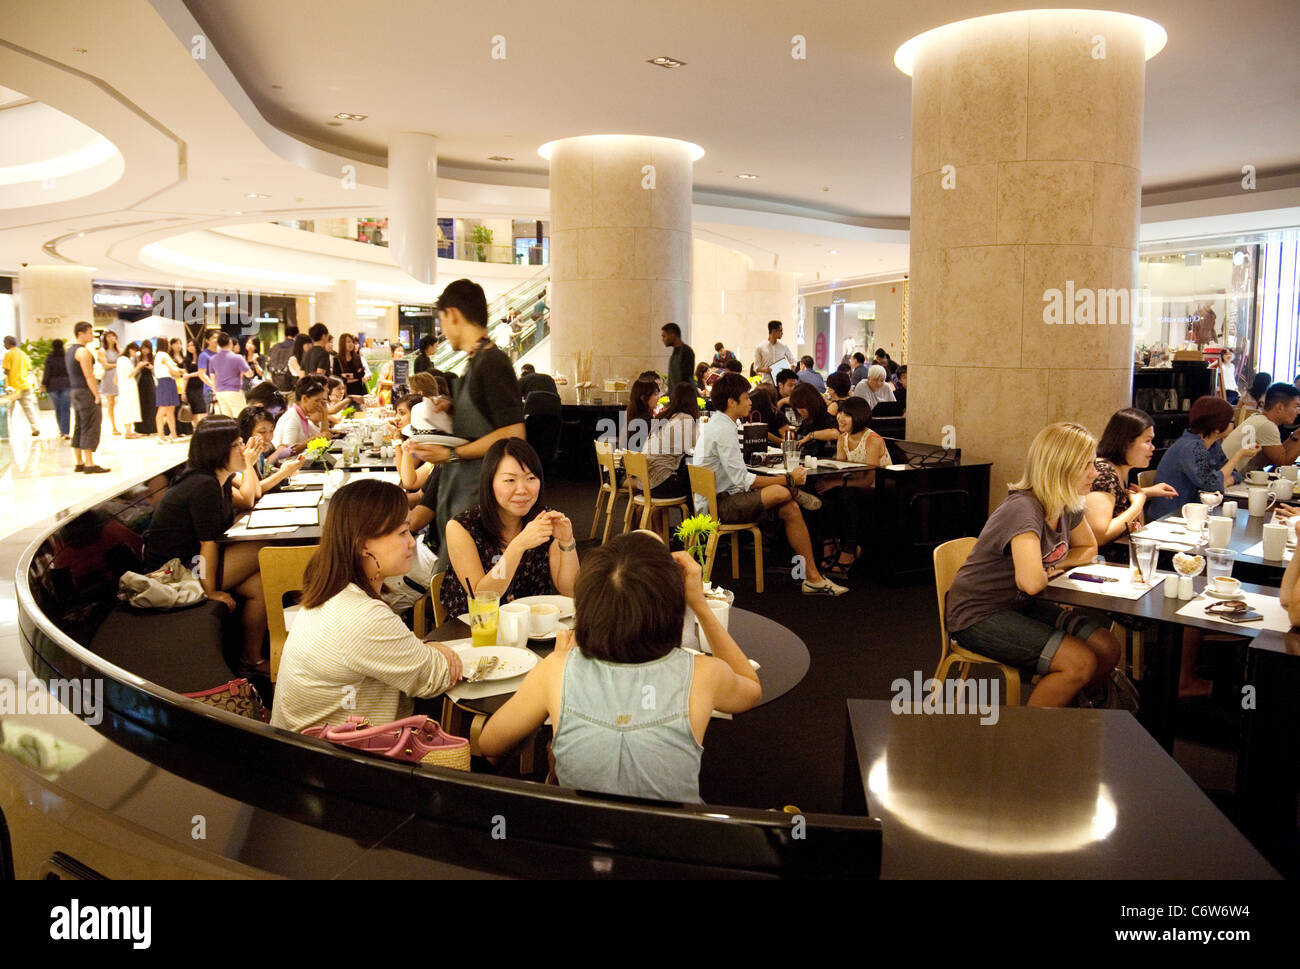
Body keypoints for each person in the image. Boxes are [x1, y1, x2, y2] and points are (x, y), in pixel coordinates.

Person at [478, 532, 761, 800]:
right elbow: (751, 688)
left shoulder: (556, 668)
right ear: (672, 608)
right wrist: (699, 604)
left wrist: (560, 667)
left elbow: (490, 743)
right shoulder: (704, 673)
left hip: (580, 841)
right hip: (675, 841)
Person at [944, 422, 1122, 707]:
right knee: (1080, 662)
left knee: (1107, 646)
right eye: (1086, 465)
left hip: (1019, 604)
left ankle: (1064, 699)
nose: (1095, 474)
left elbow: (1088, 548)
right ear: (1060, 468)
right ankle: (1025, 742)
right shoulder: (1024, 509)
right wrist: (1047, 570)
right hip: (977, 613)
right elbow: (1032, 582)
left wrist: (1055, 566)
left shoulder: (1067, 503)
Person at [270, 478, 462, 732]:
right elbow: (434, 678)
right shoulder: (359, 614)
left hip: (305, 745)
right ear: (363, 545)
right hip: (333, 759)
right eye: (402, 532)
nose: (412, 542)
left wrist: (426, 649)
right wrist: (440, 653)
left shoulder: (333, 588)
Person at [692, 373, 847, 595]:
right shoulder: (724, 429)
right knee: (779, 491)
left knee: (790, 508)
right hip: (720, 505)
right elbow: (743, 480)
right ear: (731, 401)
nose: (750, 402)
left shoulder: (718, 424)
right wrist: (789, 478)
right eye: (746, 398)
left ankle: (813, 577)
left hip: (717, 499)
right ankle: (793, 490)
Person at [410, 279, 525, 564]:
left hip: (480, 496)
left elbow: (513, 433)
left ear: (452, 314)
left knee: (475, 585)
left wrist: (450, 453)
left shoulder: (492, 362)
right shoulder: (476, 362)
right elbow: (485, 422)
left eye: (442, 321)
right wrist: (452, 410)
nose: (443, 331)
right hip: (464, 492)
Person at [143, 417, 268, 671]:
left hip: (193, 559)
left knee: (260, 586)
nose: (244, 449)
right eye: (237, 445)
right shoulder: (203, 485)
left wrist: (249, 466)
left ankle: (251, 659)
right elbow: (207, 544)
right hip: (173, 570)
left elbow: (247, 501)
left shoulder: (218, 479)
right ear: (217, 450)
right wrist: (209, 591)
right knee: (262, 548)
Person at [440, 438, 579, 619]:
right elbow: (481, 598)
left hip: (534, 630)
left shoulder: (544, 520)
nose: (521, 489)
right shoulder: (462, 527)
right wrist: (518, 545)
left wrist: (567, 542)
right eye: (509, 480)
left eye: (530, 478)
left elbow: (570, 592)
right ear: (490, 482)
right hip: (475, 631)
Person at [1149, 396, 1260, 520]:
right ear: (1217, 427)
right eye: (1231, 422)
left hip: (1194, 514)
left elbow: (1234, 474)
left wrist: (1223, 481)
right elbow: (1212, 485)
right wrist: (1238, 456)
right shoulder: (1191, 447)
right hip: (1172, 517)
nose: (1233, 425)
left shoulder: (1212, 445)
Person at [1084, 408, 1178, 549]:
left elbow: (1116, 497)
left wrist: (1147, 492)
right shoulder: (1104, 474)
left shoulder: (1119, 469)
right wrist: (1137, 505)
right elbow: (1100, 537)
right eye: (1148, 441)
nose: (1153, 448)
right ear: (1126, 442)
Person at [816, 396, 890, 575]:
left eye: (847, 414)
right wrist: (829, 480)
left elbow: (868, 481)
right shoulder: (843, 439)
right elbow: (839, 471)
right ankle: (829, 545)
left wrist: (835, 482)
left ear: (859, 417)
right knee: (821, 491)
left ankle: (849, 550)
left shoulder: (873, 439)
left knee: (847, 495)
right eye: (840, 412)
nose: (840, 417)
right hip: (851, 485)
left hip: (879, 489)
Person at [1221, 382, 1300, 474]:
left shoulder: (1259, 418)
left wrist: (1296, 435)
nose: (1298, 412)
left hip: (1229, 476)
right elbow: (1283, 463)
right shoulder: (1267, 425)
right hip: (1227, 480)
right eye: (1296, 406)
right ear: (1280, 407)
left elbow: (1276, 458)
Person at [642, 381, 699, 500]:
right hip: (661, 483)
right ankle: (694, 517)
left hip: (645, 480)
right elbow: (697, 448)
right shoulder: (685, 418)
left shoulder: (665, 416)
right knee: (698, 487)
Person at [66, 322, 108, 472]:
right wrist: (96, 395)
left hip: (75, 391)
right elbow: (89, 376)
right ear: (81, 334)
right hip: (85, 392)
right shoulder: (83, 352)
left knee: (78, 426)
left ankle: (79, 462)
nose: (92, 335)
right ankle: (89, 463)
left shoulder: (70, 351)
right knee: (90, 425)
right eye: (90, 333)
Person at [236, 405, 303, 494]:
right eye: (262, 432)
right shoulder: (238, 457)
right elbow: (255, 490)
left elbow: (266, 472)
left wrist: (287, 469)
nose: (268, 437)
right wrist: (283, 473)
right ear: (247, 432)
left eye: (271, 431)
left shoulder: (259, 454)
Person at [272, 375, 329, 452]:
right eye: (317, 401)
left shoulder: (303, 417)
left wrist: (324, 414)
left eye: (321, 401)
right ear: (304, 398)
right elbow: (287, 451)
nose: (320, 405)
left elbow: (323, 438)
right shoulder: (292, 418)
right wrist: (315, 438)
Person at [205, 331, 252, 418]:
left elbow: (213, 378)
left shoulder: (213, 359)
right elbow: (249, 374)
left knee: (226, 418)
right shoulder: (237, 358)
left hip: (220, 392)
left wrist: (215, 393)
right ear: (230, 342)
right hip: (234, 391)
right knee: (241, 417)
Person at [2, 336, 40, 437]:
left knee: (8, 410)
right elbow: (28, 369)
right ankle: (35, 428)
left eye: (4, 343)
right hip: (25, 385)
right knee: (29, 408)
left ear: (7, 343)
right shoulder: (23, 354)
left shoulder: (8, 354)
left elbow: (7, 370)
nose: (3, 345)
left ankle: (7, 431)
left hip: (13, 387)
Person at [789, 382, 838, 458]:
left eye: (802, 408)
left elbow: (836, 434)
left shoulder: (825, 418)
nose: (800, 412)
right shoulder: (806, 422)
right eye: (797, 408)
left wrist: (811, 435)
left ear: (812, 403)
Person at [153, 337, 185, 443]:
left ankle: (173, 434)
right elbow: (174, 370)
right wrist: (182, 371)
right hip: (165, 382)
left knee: (170, 410)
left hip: (168, 382)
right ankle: (161, 435)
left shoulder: (159, 355)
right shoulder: (163, 355)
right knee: (163, 410)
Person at [42, 338, 73, 439]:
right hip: (66, 384)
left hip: (53, 386)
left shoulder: (50, 358)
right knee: (66, 409)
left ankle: (61, 430)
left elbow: (47, 373)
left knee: (58, 409)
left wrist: (43, 384)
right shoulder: (67, 357)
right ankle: (66, 432)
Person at [96, 330, 121, 436]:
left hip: (120, 377)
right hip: (108, 378)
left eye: (113, 336)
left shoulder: (119, 350)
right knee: (111, 403)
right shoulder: (102, 351)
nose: (112, 338)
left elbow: (124, 357)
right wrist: (118, 364)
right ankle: (113, 426)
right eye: (109, 336)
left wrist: (118, 347)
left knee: (122, 403)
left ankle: (125, 426)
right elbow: (106, 365)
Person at [752, 320, 793, 385]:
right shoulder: (760, 347)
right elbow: (756, 367)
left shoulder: (783, 346)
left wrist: (790, 373)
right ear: (774, 331)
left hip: (781, 383)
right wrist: (765, 369)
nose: (782, 333)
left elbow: (793, 362)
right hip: (767, 382)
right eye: (780, 330)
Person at [661, 322, 695, 392]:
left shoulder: (686, 351)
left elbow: (685, 379)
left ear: (672, 335)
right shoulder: (675, 351)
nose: (662, 339)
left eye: (664, 336)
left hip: (684, 396)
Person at [181, 339, 208, 428]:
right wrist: (183, 391)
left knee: (204, 409)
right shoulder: (186, 360)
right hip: (191, 388)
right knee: (194, 410)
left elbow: (203, 372)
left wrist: (189, 375)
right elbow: (185, 377)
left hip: (202, 385)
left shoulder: (202, 357)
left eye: (192, 345)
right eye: (188, 346)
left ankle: (205, 428)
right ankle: (196, 430)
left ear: (196, 346)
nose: (190, 347)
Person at [134, 339, 157, 437]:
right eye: (143, 348)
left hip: (150, 382)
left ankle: (151, 427)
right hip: (140, 383)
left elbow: (156, 373)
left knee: (151, 404)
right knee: (140, 404)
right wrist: (139, 366)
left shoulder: (153, 358)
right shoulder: (137, 358)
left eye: (147, 348)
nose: (145, 350)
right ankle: (140, 428)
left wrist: (152, 368)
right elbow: (134, 371)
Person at [334, 332, 368, 397]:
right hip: (345, 391)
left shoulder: (357, 357)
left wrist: (348, 376)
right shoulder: (337, 359)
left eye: (352, 342)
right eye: (348, 342)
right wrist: (355, 377)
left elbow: (361, 373)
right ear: (343, 343)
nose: (351, 344)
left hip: (359, 390)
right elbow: (336, 376)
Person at [196, 329, 219, 411]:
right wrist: (214, 386)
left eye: (218, 337)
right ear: (207, 340)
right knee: (212, 416)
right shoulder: (204, 355)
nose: (216, 340)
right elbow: (202, 374)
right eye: (214, 338)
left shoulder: (222, 353)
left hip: (224, 390)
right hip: (210, 391)